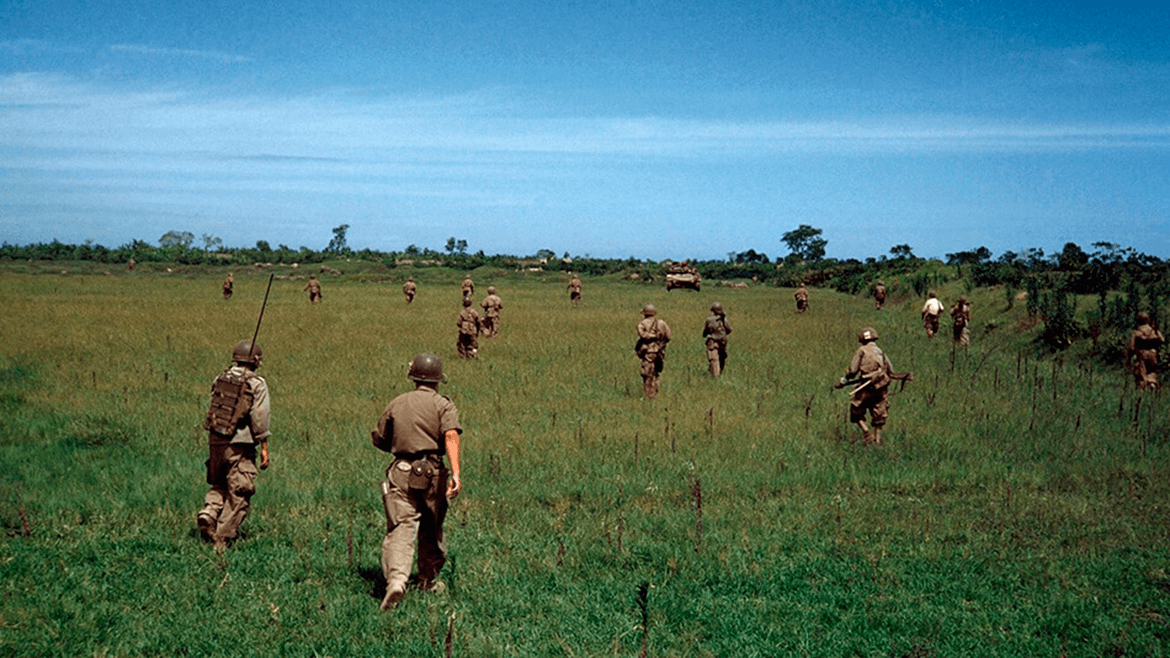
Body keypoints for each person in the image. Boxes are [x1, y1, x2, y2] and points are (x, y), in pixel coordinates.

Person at [371, 353, 462, 609]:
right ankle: (427, 581)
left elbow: (380, 438)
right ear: (438, 379)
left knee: (400, 526)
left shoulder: (397, 403)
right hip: (433, 471)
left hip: (401, 469)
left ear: (413, 376)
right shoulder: (443, 405)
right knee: (431, 528)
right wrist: (455, 472)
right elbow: (451, 435)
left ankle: (397, 582)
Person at [196, 340, 271, 551]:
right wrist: (263, 445)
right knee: (240, 491)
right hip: (240, 445)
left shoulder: (220, 378)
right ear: (256, 360)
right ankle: (221, 539)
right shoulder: (256, 383)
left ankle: (209, 512)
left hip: (216, 440)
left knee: (219, 483)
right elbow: (260, 417)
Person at [835, 327, 894, 445]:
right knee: (879, 413)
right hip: (881, 387)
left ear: (862, 339)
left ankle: (867, 433)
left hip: (866, 387)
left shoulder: (861, 350)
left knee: (856, 410)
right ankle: (877, 441)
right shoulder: (880, 351)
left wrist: (843, 381)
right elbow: (891, 370)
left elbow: (853, 370)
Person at [635, 304, 672, 399]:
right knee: (656, 373)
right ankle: (655, 393)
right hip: (660, 351)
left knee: (647, 374)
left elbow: (643, 336)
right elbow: (668, 337)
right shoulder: (662, 323)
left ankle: (649, 395)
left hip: (649, 352)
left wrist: (652, 337)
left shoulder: (642, 324)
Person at [1127, 312, 1165, 389]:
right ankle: (1152, 386)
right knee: (1152, 372)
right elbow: (1162, 340)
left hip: (1142, 354)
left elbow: (1131, 347)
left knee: (1141, 374)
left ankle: (1142, 394)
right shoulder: (1154, 331)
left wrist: (1129, 358)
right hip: (1154, 354)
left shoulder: (1137, 332)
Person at [702, 301, 733, 377]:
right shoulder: (724, 320)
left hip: (712, 342)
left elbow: (704, 333)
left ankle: (715, 377)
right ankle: (717, 375)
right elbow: (729, 330)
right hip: (722, 343)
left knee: (714, 360)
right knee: (721, 360)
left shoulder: (709, 320)